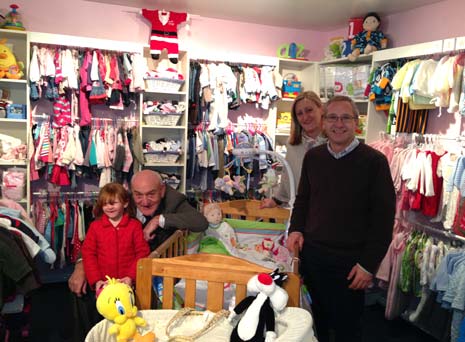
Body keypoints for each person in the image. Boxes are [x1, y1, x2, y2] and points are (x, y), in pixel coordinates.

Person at [287, 95, 395, 342]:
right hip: (313, 258)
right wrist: (296, 229)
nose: (339, 123)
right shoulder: (313, 158)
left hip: (351, 264)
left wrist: (368, 264)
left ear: (356, 123)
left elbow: (383, 220)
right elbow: (303, 200)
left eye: (346, 117)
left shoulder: (375, 162)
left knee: (348, 328)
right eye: (332, 117)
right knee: (315, 322)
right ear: (324, 122)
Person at [68, 170, 208, 340]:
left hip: (141, 269)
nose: (145, 201)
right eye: (138, 195)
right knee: (80, 290)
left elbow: (200, 222)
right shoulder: (121, 200)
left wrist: (159, 220)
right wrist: (81, 265)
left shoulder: (174, 200)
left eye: (151, 194)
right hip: (107, 270)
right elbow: (94, 239)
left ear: (162, 190)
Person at [260, 91, 326, 208]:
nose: (305, 117)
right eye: (299, 113)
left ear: (321, 109)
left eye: (309, 110)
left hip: (328, 209)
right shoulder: (293, 145)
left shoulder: (334, 142)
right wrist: (276, 200)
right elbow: (287, 176)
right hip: (301, 209)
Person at [81, 182, 150, 292]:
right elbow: (88, 254)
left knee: (129, 308)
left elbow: (142, 253)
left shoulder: (134, 226)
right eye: (105, 204)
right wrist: (96, 280)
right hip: (104, 284)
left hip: (128, 283)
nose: (109, 207)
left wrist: (131, 277)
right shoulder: (95, 227)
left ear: (125, 203)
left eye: (113, 203)